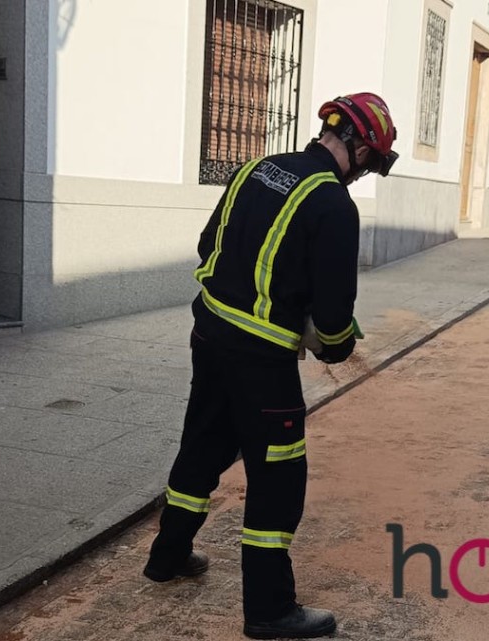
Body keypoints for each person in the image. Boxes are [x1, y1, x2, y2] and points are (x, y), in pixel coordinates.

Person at [142, 92, 398, 639]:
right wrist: (334, 342)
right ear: (355, 147)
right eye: (370, 162)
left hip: (208, 334)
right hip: (262, 361)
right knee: (278, 479)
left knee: (203, 444)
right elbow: (333, 319)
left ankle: (167, 557)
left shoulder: (258, 167)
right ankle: (268, 609)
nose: (364, 175)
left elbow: (208, 242)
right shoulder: (333, 205)